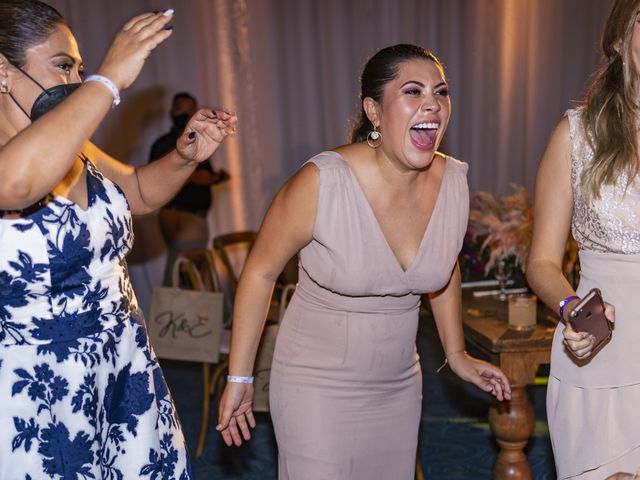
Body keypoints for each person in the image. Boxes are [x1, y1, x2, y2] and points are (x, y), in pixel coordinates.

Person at [216, 43, 511, 479]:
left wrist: (457, 352)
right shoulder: (322, 182)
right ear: (373, 111)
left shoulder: (452, 181)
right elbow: (259, 272)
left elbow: (444, 267)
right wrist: (239, 378)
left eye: (441, 92)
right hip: (314, 385)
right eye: (413, 91)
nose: (432, 103)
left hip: (398, 386)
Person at [0, 1, 236, 478]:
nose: (75, 80)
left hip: (123, 366)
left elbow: (139, 193)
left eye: (81, 68)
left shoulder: (75, 148)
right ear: (3, 71)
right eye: (63, 65)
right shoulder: (22, 163)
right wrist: (105, 82)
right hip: (41, 391)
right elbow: (16, 185)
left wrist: (186, 156)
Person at [526, 1, 640, 478]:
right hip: (602, 352)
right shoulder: (575, 135)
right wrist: (573, 309)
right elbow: (541, 263)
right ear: (619, 39)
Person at [149, 92, 230, 286]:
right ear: (172, 113)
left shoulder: (190, 141)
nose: (185, 114)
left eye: (190, 110)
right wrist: (201, 177)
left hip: (179, 217)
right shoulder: (170, 144)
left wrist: (213, 178)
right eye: (181, 110)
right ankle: (175, 314)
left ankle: (169, 314)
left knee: (178, 270)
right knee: (189, 274)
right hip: (183, 218)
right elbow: (153, 178)